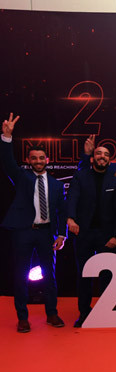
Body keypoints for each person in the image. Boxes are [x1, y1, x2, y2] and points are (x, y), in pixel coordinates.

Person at [0, 113, 66, 333]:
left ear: (47, 160)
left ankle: (52, 313)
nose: (38, 161)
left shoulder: (57, 185)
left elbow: (62, 211)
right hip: (23, 232)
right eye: (34, 158)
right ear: (29, 161)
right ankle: (22, 318)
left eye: (41, 158)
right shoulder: (22, 177)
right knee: (21, 275)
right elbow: (8, 162)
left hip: (47, 233)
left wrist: (61, 234)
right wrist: (7, 137)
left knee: (50, 275)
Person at [67, 145, 116, 327]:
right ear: (93, 158)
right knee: (84, 274)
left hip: (107, 236)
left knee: (107, 275)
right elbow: (72, 198)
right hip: (83, 233)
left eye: (106, 154)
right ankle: (84, 313)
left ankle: (109, 311)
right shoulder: (80, 177)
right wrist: (70, 218)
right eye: (99, 153)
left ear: (109, 160)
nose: (102, 156)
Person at [79, 135, 116, 306]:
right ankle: (112, 305)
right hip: (115, 228)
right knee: (112, 269)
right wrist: (87, 155)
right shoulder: (112, 168)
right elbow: (85, 174)